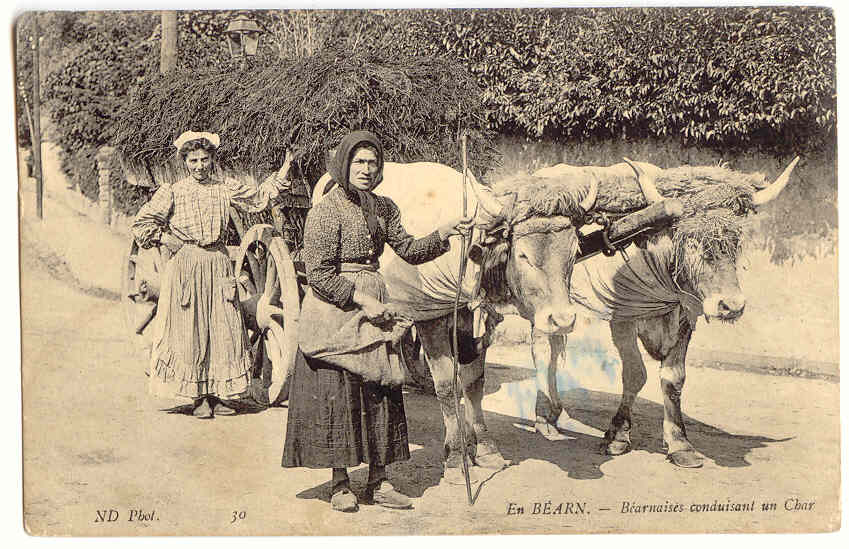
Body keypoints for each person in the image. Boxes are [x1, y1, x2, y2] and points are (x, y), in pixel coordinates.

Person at [282, 130, 472, 512]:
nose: (366, 170)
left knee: (381, 391)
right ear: (344, 165)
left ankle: (379, 480)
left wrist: (443, 232)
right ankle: (339, 483)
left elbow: (409, 250)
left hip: (376, 303)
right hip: (334, 308)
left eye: (373, 163)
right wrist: (359, 298)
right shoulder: (325, 210)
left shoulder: (384, 208)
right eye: (359, 162)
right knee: (340, 392)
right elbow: (317, 273)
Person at [132, 131, 294, 419]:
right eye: (193, 160)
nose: (199, 166)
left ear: (212, 160)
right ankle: (197, 398)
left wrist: (284, 169)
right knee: (190, 328)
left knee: (223, 326)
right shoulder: (173, 191)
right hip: (187, 265)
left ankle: (219, 395)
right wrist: (166, 239)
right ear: (185, 161)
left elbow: (258, 199)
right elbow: (142, 223)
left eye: (204, 160)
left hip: (218, 262)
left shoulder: (224, 188)